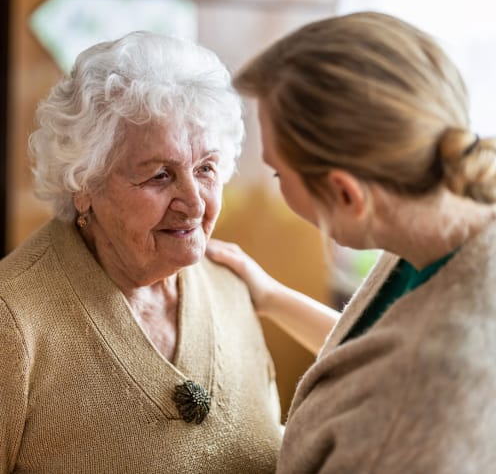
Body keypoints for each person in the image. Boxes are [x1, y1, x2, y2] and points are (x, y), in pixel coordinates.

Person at [207, 11, 496, 472]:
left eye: (280, 173)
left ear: (345, 193)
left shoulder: (425, 401)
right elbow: (374, 354)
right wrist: (271, 297)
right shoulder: (438, 224)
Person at [0, 30, 287, 474]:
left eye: (206, 168)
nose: (194, 203)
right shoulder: (12, 320)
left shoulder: (231, 287)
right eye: (159, 175)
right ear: (83, 184)